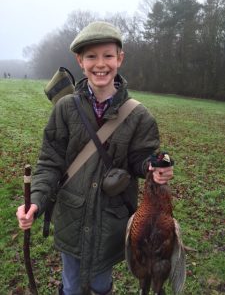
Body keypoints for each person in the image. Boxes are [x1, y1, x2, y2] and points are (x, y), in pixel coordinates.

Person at [16, 21, 173, 295]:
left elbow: (141, 159)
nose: (100, 64)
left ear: (120, 59)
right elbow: (49, 162)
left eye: (108, 55)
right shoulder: (65, 109)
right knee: (72, 284)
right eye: (91, 56)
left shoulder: (139, 116)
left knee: (101, 285)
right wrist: (36, 202)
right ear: (80, 61)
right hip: (71, 219)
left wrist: (153, 166)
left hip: (110, 222)